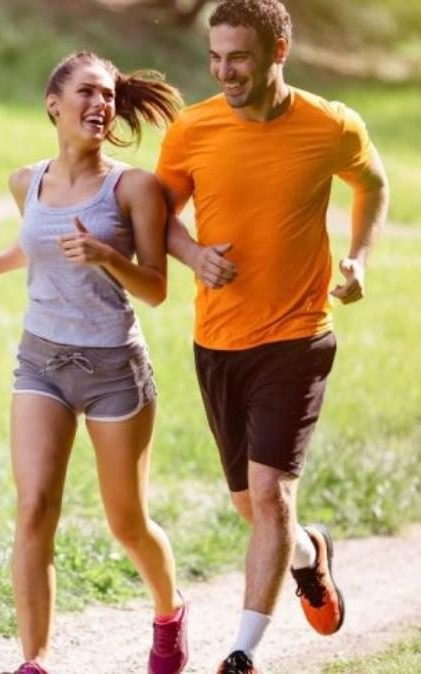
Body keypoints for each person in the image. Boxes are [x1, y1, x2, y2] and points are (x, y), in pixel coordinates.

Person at [154, 1, 390, 672]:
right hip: (217, 341)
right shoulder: (192, 130)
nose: (224, 71)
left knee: (267, 494)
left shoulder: (329, 124)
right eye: (215, 58)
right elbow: (160, 215)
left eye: (239, 58)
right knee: (251, 507)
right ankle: (310, 555)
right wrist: (193, 254)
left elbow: (370, 186)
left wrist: (359, 259)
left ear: (277, 51)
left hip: (298, 335)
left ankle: (241, 652)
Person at [0, 50, 187, 674]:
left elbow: (156, 288)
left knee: (127, 523)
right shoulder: (24, 181)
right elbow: (38, 245)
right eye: (88, 92)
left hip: (115, 368)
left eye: (109, 95)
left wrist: (105, 255)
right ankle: (34, 661)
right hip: (41, 361)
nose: (101, 104)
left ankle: (169, 612)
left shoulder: (133, 187)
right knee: (34, 507)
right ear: (53, 103)